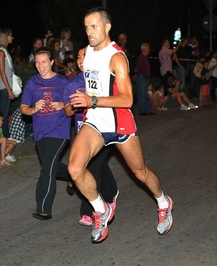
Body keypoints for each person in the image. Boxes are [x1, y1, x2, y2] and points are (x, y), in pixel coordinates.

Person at [67, 7, 173, 243]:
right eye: (86, 27)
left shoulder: (117, 57)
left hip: (119, 122)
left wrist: (92, 100)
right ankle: (100, 209)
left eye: (94, 26)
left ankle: (164, 202)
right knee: (75, 169)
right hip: (95, 121)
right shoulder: (87, 52)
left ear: (107, 27)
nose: (89, 31)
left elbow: (128, 99)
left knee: (139, 172)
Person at [63, 47, 119, 227]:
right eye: (78, 57)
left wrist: (93, 100)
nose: (80, 60)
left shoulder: (103, 78)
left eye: (84, 56)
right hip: (84, 134)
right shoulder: (72, 84)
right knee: (99, 165)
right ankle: (111, 193)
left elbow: (117, 101)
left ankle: (89, 211)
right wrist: (76, 103)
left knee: (93, 166)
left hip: (104, 129)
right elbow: (67, 112)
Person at [20, 47, 71, 220]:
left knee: (47, 169)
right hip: (40, 132)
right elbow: (24, 108)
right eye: (37, 62)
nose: (40, 65)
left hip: (59, 130)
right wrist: (34, 109)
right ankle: (74, 174)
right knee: (52, 167)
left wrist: (62, 104)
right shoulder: (32, 83)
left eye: (44, 61)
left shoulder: (62, 82)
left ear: (51, 62)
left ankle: (43, 208)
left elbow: (75, 102)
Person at [0, 28, 15, 138]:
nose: (12, 37)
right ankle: (3, 137)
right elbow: (2, 73)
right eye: (10, 35)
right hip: (4, 86)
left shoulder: (4, 50)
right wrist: (9, 90)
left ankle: (5, 136)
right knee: (2, 113)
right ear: (4, 37)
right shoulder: (1, 51)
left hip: (6, 85)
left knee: (5, 113)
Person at [135, 43, 155, 115]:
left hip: (145, 78)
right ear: (144, 49)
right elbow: (137, 69)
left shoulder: (145, 58)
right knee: (142, 95)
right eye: (148, 48)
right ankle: (142, 111)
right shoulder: (141, 58)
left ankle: (147, 110)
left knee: (145, 95)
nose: (149, 50)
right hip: (141, 77)